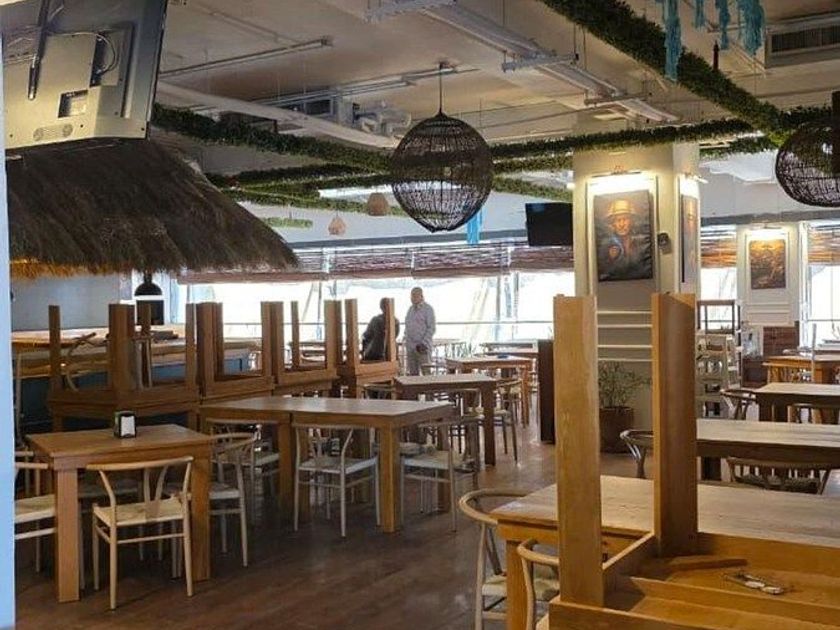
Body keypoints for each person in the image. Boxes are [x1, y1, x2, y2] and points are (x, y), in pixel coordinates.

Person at [404, 287, 435, 375]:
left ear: (421, 296)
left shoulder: (428, 309)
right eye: (411, 296)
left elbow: (431, 328)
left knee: (426, 373)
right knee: (413, 373)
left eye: (415, 296)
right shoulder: (410, 310)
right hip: (411, 347)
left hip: (423, 347)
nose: (412, 298)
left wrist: (423, 343)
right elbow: (407, 326)